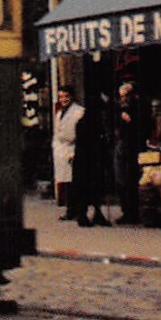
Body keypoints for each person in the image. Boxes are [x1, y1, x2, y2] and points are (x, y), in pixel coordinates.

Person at [70, 91, 111, 227]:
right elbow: (95, 143)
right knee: (90, 186)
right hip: (89, 160)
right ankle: (85, 215)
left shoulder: (83, 122)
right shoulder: (92, 123)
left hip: (84, 160)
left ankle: (92, 213)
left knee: (89, 187)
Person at [113, 81, 149, 224]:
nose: (123, 100)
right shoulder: (120, 110)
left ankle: (133, 211)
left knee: (130, 179)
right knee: (122, 180)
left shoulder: (138, 109)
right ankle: (127, 211)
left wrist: (130, 121)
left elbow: (143, 126)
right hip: (123, 145)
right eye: (121, 97)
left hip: (133, 146)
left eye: (126, 96)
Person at [51, 86, 84, 220]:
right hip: (61, 149)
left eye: (66, 96)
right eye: (61, 97)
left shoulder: (79, 111)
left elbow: (75, 134)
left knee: (74, 183)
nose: (63, 99)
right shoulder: (59, 113)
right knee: (66, 182)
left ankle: (75, 210)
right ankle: (70, 210)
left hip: (72, 148)